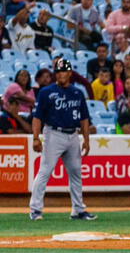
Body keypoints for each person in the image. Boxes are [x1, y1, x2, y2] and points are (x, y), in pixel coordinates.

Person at [29, 58, 95, 221]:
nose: (61, 74)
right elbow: (37, 117)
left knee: (76, 172)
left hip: (73, 135)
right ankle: (35, 210)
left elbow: (84, 118)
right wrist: (36, 138)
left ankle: (78, 210)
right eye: (58, 71)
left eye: (64, 71)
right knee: (45, 171)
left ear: (70, 73)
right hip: (54, 134)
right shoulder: (46, 92)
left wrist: (86, 140)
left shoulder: (77, 93)